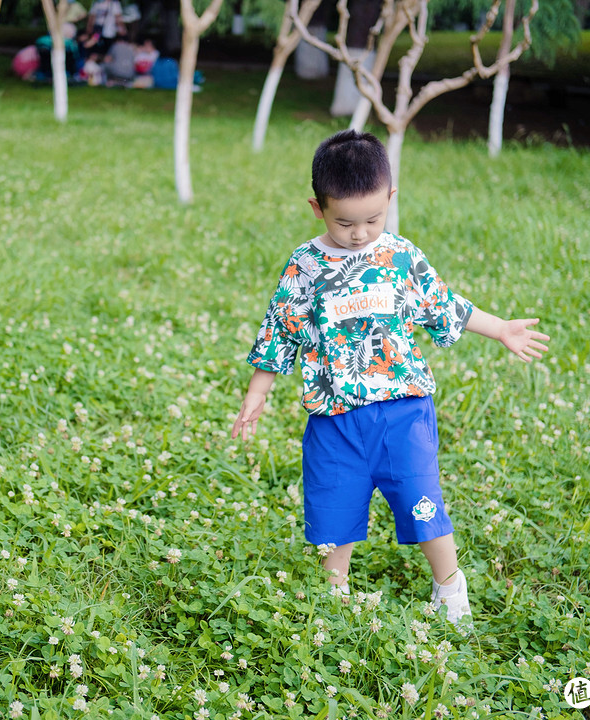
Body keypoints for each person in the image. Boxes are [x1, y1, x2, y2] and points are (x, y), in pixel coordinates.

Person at [231, 129, 549, 624]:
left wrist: (501, 328)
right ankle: (335, 599)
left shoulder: (400, 256)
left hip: (403, 412)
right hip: (334, 420)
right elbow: (280, 328)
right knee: (334, 512)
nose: (359, 233)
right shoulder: (306, 265)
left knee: (423, 502)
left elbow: (443, 305)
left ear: (390, 199)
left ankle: (450, 590)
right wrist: (258, 391)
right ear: (317, 208)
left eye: (372, 219)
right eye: (345, 221)